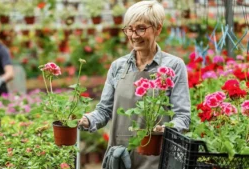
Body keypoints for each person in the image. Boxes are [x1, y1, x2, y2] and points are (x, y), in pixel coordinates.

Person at [79, 1, 191, 169]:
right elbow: (104, 110)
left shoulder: (173, 66)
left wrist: (165, 130)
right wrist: (85, 120)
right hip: (119, 158)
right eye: (130, 29)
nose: (134, 35)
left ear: (158, 28)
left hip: (158, 159)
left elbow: (182, 116)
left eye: (141, 28)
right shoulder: (118, 66)